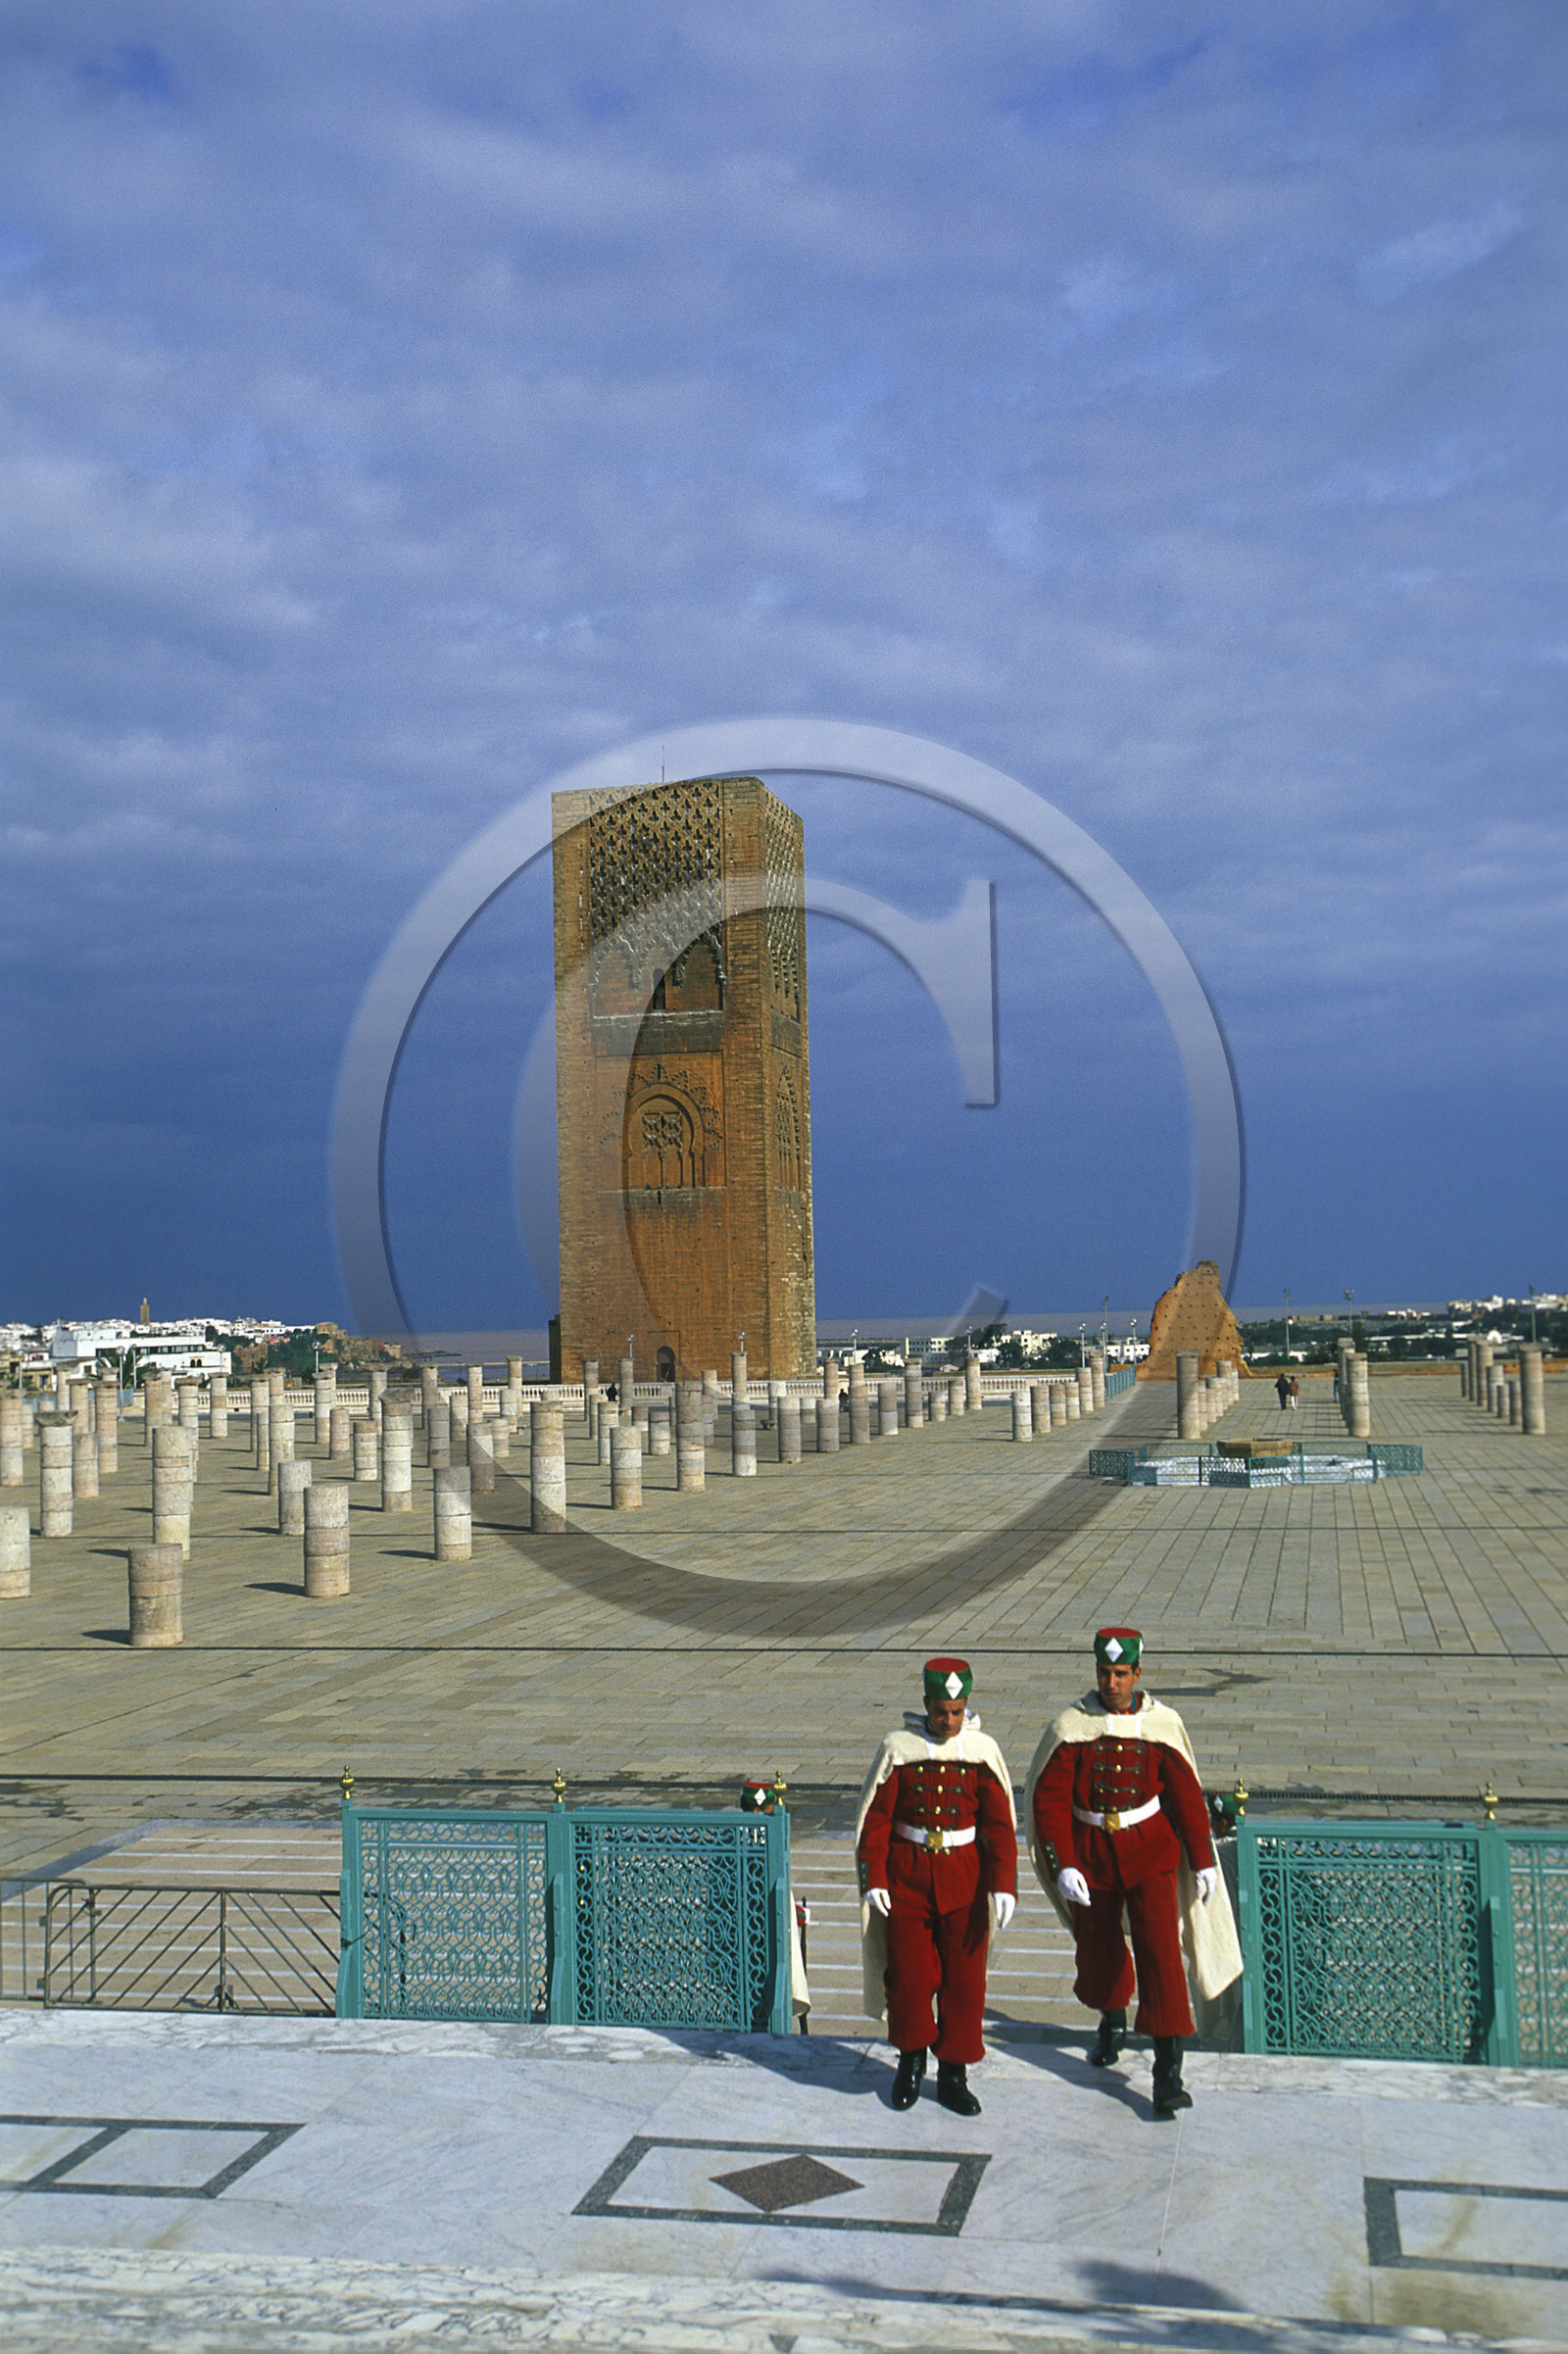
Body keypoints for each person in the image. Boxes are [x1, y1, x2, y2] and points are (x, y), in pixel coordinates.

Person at [1025, 1628, 1241, 2119]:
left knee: (1161, 1957)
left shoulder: (1160, 1724)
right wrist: (1063, 1866)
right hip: (1094, 1857)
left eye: (1121, 1674)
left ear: (1138, 1674)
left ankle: (1168, 2072)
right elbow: (1051, 1802)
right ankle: (1111, 2020)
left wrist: (1203, 1860)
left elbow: (1185, 1796)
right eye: (1105, 1673)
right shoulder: (1073, 1727)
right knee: (1099, 1950)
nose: (1112, 1682)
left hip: (1150, 1856)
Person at [856, 1656, 1017, 2116]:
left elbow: (1000, 1825)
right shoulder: (899, 1749)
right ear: (925, 1703)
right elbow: (878, 1819)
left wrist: (1004, 1884)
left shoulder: (980, 1752)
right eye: (941, 1711)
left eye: (957, 1711)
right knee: (909, 1977)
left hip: (965, 1883)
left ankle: (954, 2072)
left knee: (964, 1984)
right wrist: (875, 1877)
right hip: (908, 1879)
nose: (949, 1721)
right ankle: (910, 2061)